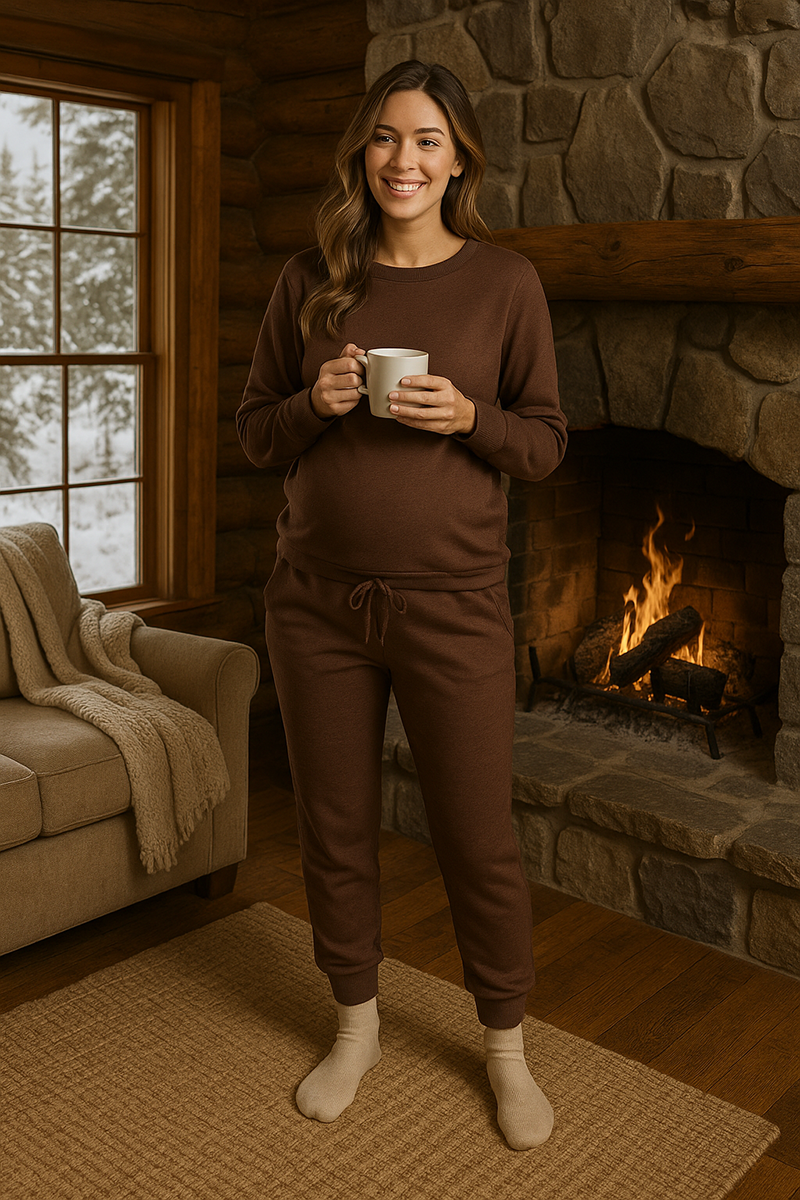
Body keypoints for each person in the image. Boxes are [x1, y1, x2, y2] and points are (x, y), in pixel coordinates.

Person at [237, 59, 567, 1151]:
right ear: (360, 153)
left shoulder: (504, 283)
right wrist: (311, 403)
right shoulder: (309, 276)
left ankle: (505, 1050)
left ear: (459, 156)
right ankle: (354, 1025)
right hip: (314, 606)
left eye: (427, 140)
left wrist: (468, 415)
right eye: (384, 138)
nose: (403, 160)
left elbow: (544, 445)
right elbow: (252, 434)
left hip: (454, 609)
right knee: (334, 830)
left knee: (475, 839)